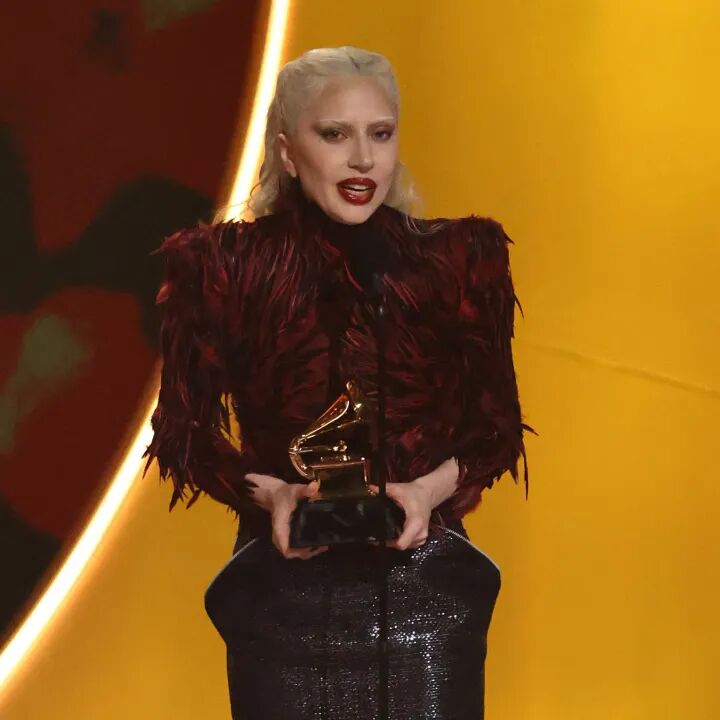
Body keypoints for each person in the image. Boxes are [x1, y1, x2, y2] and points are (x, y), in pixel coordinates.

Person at [144, 46, 534, 720]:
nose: (362, 159)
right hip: (283, 602)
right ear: (288, 152)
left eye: (380, 134)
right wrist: (276, 496)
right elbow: (184, 433)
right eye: (334, 134)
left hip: (425, 598)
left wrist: (424, 493)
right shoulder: (222, 269)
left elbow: (495, 429)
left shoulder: (457, 261)